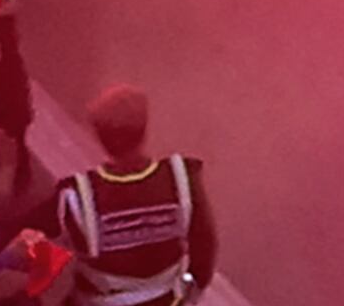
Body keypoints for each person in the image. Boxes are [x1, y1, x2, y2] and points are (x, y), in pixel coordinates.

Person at [26, 85, 216, 304]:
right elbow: (205, 249)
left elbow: (26, 233)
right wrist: (187, 288)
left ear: (98, 135)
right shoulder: (181, 179)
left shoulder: (77, 196)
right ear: (144, 129)